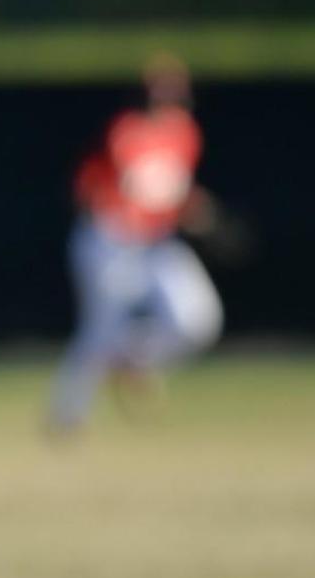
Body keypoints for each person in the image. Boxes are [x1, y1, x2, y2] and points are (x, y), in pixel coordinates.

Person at [47, 53, 224, 432]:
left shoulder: (185, 133)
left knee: (198, 319)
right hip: (110, 239)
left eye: (173, 89)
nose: (166, 96)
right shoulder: (126, 130)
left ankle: (132, 358)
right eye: (159, 89)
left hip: (155, 242)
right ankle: (67, 415)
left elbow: (172, 193)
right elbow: (121, 189)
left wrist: (198, 210)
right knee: (99, 329)